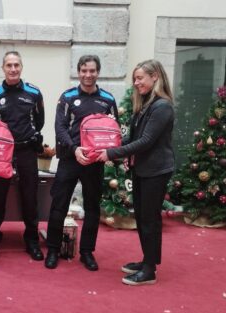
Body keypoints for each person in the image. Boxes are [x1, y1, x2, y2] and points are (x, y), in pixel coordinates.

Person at [96, 59, 174, 285]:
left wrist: (111, 153)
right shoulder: (146, 105)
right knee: (142, 217)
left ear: (155, 77)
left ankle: (149, 270)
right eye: (135, 79)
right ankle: (147, 260)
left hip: (156, 170)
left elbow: (147, 141)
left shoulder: (162, 106)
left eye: (140, 78)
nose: (136, 83)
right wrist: (108, 143)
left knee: (149, 219)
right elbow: (134, 137)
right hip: (142, 169)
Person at [44, 55, 118, 271]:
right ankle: (53, 250)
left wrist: (107, 152)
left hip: (94, 163)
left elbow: (114, 130)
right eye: (84, 70)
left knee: (92, 208)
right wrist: (75, 149)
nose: (88, 75)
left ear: (98, 72)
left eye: (92, 71)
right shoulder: (67, 98)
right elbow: (60, 128)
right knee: (59, 205)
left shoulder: (107, 99)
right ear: (78, 72)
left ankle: (87, 252)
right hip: (69, 159)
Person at [0, 51, 45, 261]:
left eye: (16, 65)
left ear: (21, 67)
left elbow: (39, 121)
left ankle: (31, 241)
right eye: (9, 65)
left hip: (26, 151)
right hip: (1, 154)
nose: (13, 69)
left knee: (30, 197)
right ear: (2, 68)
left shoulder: (33, 92)